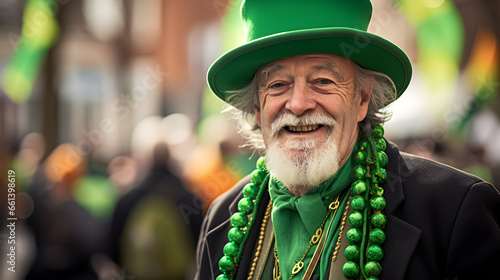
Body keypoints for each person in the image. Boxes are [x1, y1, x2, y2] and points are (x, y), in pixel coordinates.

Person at [194, 0, 500, 280]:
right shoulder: (223, 219)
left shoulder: (453, 209)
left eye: (323, 81)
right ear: (258, 110)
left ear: (362, 99)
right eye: (278, 84)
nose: (298, 104)